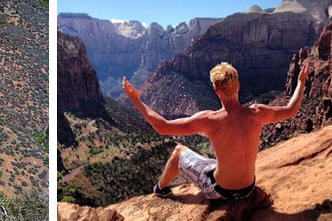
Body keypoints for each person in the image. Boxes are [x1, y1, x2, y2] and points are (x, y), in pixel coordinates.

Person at [123, 61, 309, 201]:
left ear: (216, 91)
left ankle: (161, 189)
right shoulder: (257, 113)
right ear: (238, 85)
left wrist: (136, 101)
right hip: (249, 187)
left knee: (179, 152)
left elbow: (163, 127)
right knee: (214, 161)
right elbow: (291, 110)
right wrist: (301, 81)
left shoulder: (210, 120)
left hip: (220, 191)